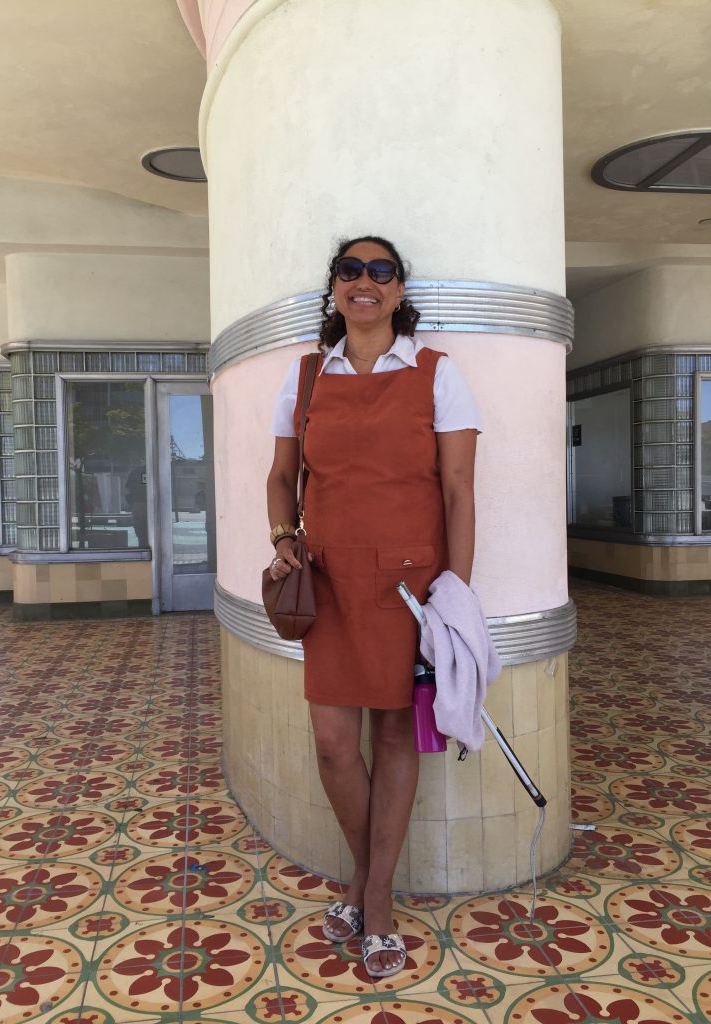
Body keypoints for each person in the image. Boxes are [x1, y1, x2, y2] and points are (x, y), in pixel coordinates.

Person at [266, 235, 481, 979]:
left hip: (409, 589)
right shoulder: (302, 377)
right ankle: (368, 877)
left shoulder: (437, 374)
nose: (365, 281)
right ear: (335, 288)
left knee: (393, 740)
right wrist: (283, 535)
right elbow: (280, 476)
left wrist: (454, 591)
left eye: (380, 271)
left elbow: (458, 492)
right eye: (351, 270)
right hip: (326, 584)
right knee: (333, 743)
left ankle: (374, 897)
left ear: (397, 291)